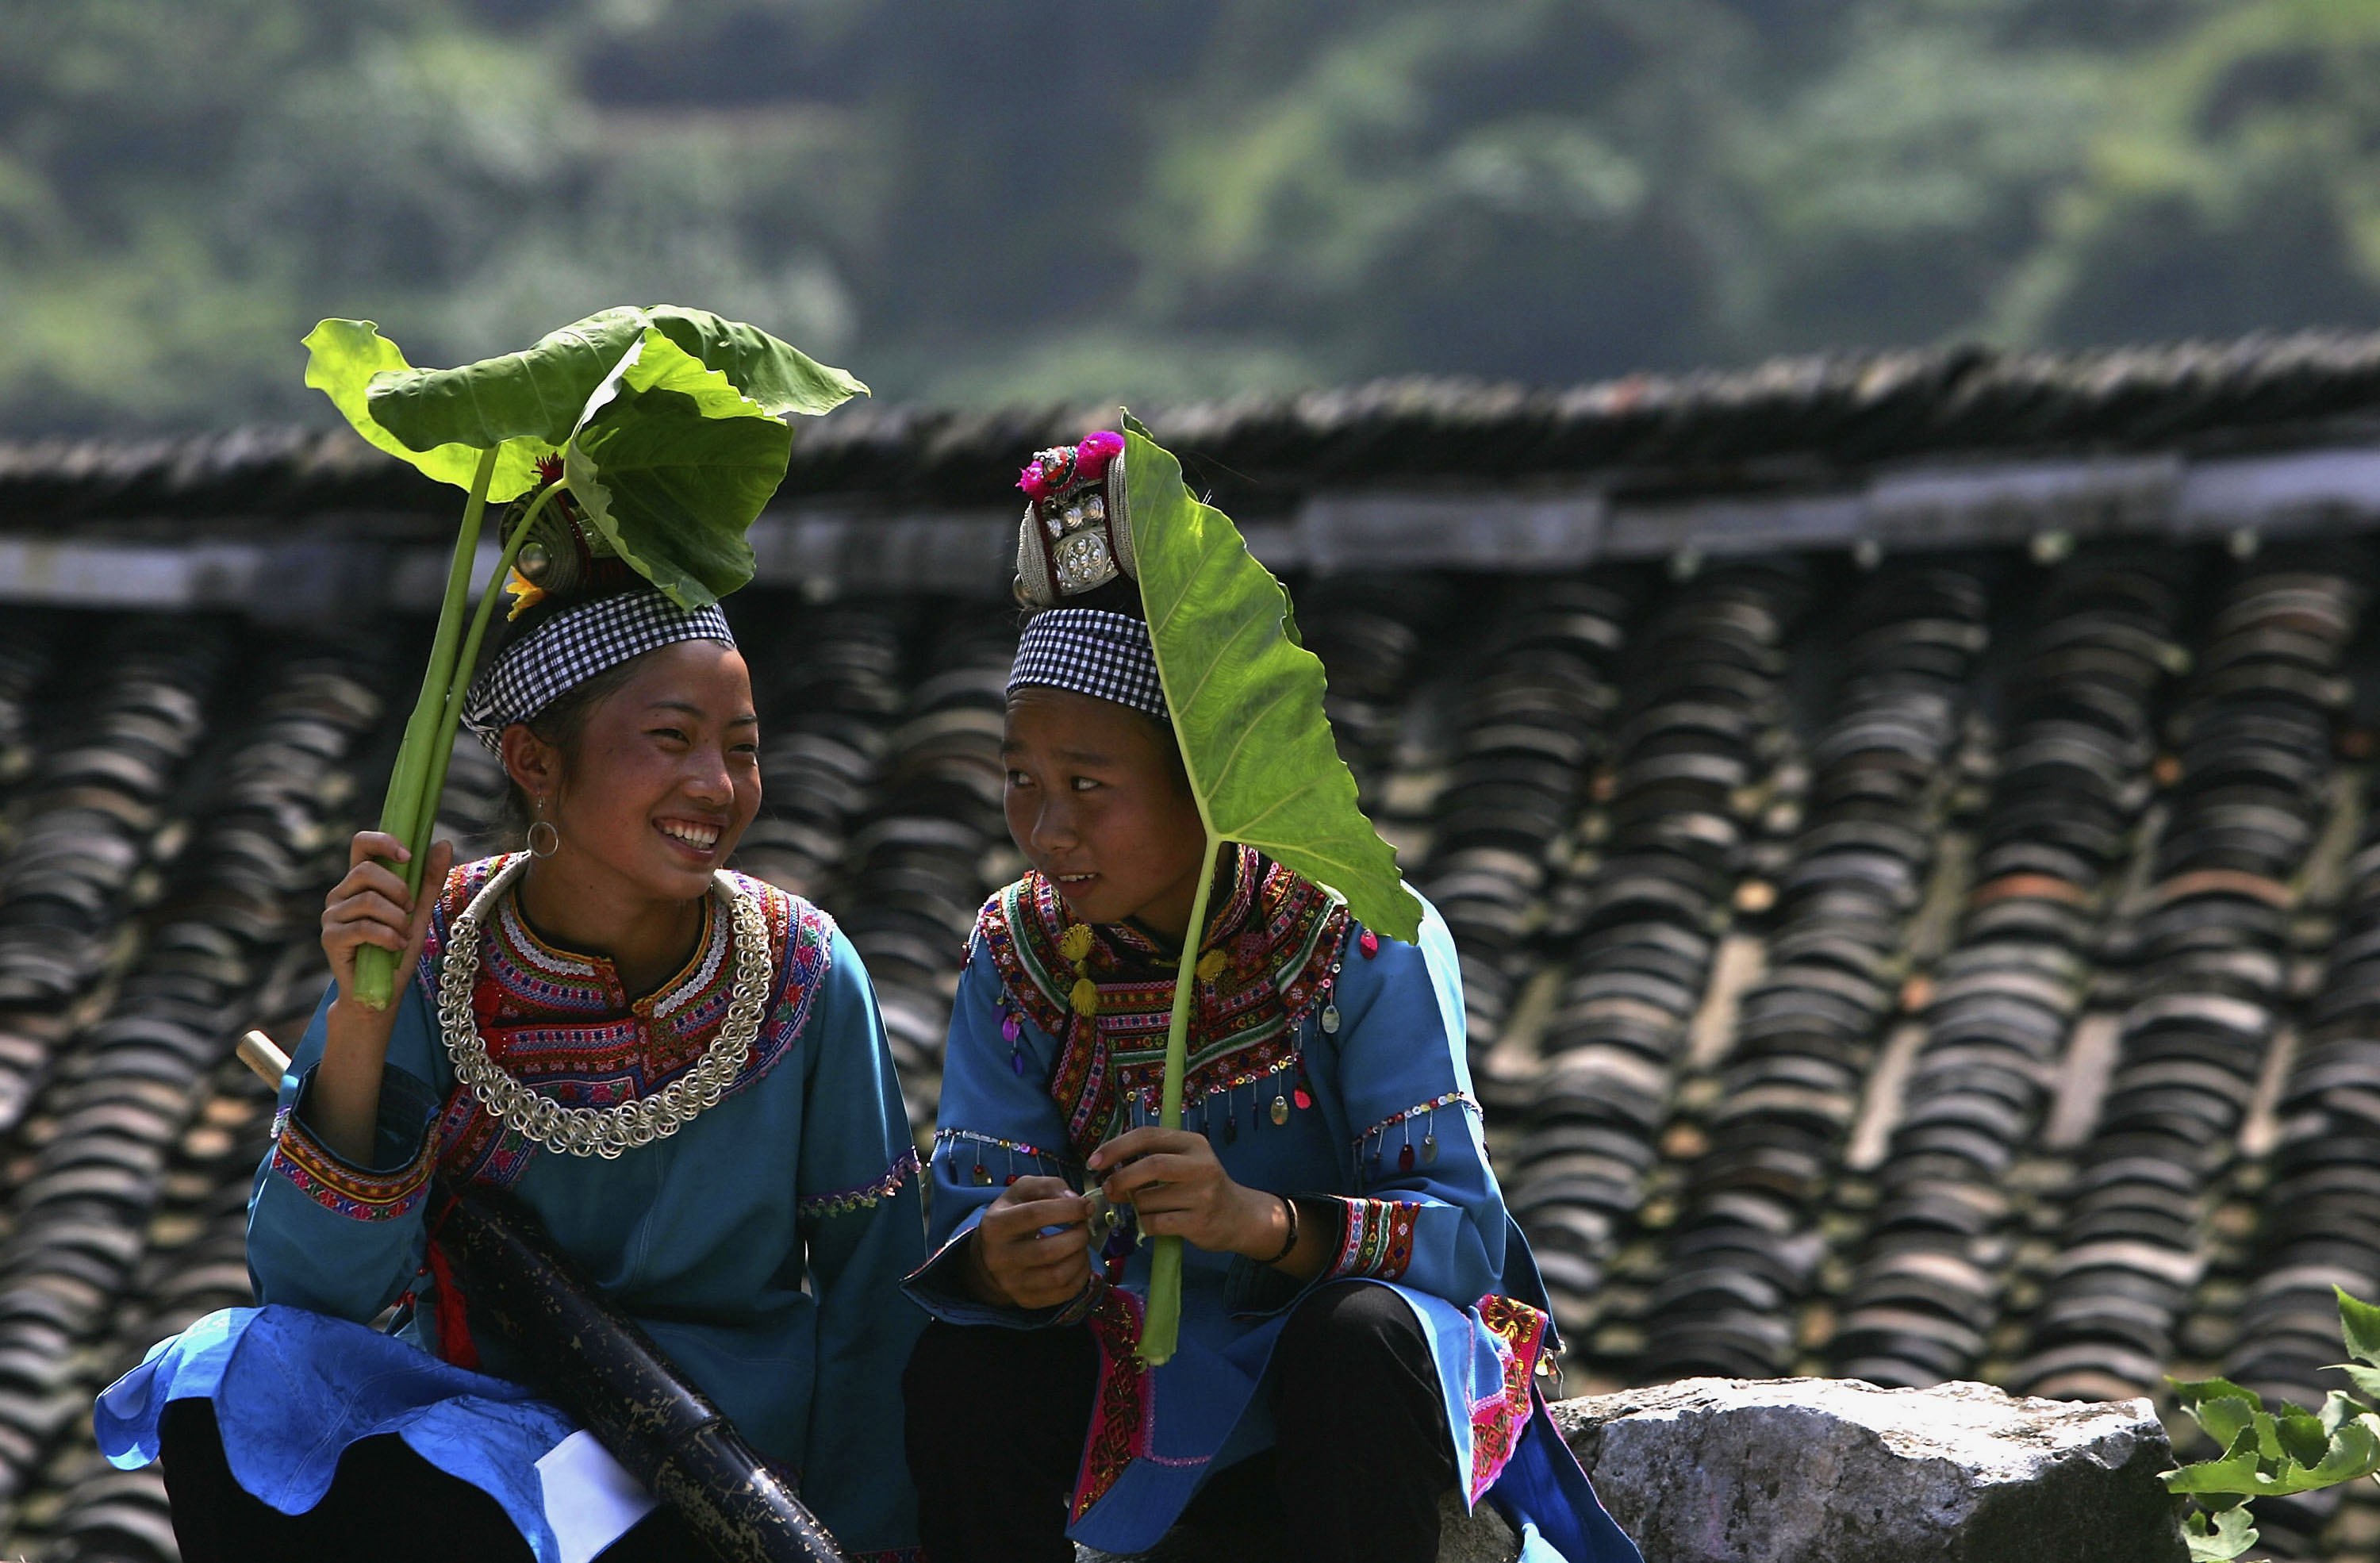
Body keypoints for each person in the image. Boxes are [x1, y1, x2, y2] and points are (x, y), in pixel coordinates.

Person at [900, 432, 1639, 1563]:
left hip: (1336, 1377)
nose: (1048, 832)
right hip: (1136, 1375)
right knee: (965, 1363)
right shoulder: (1021, 949)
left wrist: (1263, 1223)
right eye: (1021, 782)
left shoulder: (1355, 933)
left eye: (1090, 787)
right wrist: (1009, 1253)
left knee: (1359, 1337)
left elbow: (1462, 1241)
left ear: (1206, 781)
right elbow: (968, 1201)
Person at [94, 568, 927, 1563]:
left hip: (705, 1446)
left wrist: (866, 1541)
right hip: (472, 1408)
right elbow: (312, 1289)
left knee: (487, 1504)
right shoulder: (438, 946)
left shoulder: (804, 968)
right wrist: (366, 1011)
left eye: (741, 748)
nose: (717, 782)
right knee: (222, 1381)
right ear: (536, 760)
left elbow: (877, 1293)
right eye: (672, 738)